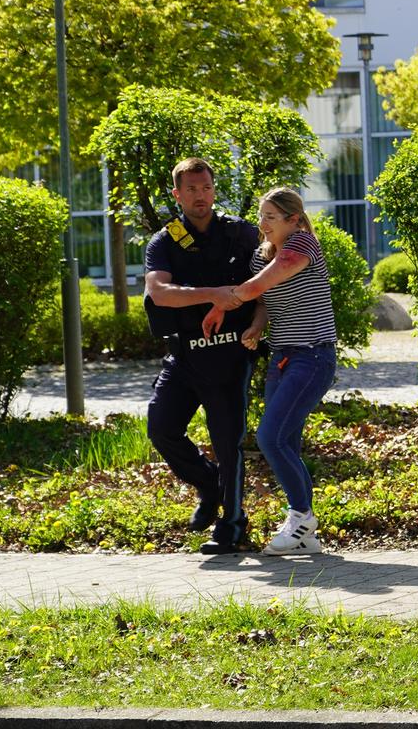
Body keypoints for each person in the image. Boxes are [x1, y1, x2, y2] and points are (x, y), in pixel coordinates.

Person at [202, 187, 339, 556]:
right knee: (286, 441)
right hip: (282, 358)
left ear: (294, 220)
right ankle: (305, 536)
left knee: (270, 438)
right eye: (261, 216)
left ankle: (301, 517)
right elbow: (264, 300)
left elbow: (261, 284)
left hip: (313, 357)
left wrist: (220, 303)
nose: (262, 224)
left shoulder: (303, 245)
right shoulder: (262, 256)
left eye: (270, 217)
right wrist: (258, 325)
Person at [142, 157, 261, 555]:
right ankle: (209, 486)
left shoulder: (240, 233)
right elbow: (158, 292)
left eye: (206, 187)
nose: (200, 196)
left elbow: (267, 281)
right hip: (184, 356)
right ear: (177, 194)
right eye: (191, 189)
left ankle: (232, 522)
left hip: (229, 354)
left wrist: (244, 312)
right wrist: (213, 295)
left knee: (228, 439)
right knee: (161, 428)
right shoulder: (165, 240)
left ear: (214, 189)